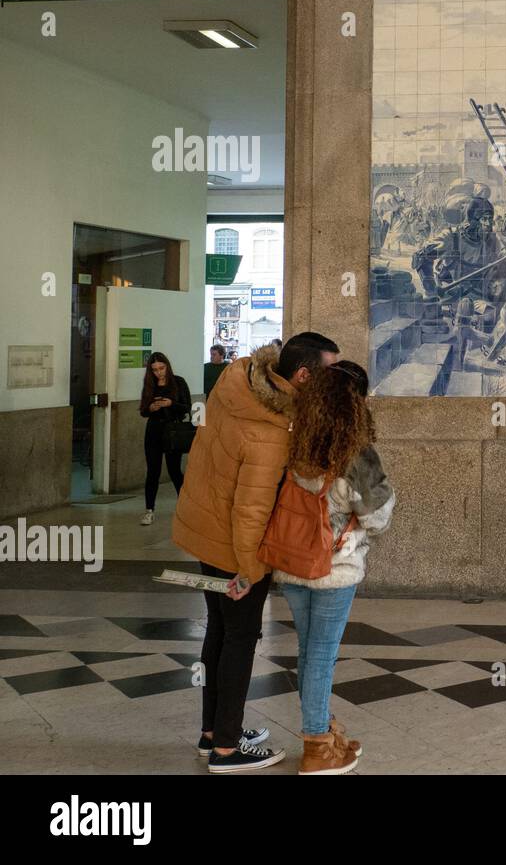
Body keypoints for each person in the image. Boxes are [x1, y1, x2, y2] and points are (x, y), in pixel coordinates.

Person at [172, 331, 340, 772]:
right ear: (303, 376)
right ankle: (227, 750)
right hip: (234, 547)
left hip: (204, 529)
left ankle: (213, 733)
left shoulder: (238, 382)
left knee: (219, 633)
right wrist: (248, 571)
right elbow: (251, 511)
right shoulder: (269, 430)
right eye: (327, 375)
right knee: (241, 639)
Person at [275, 361, 394, 775]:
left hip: (291, 564)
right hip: (334, 569)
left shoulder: (296, 443)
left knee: (309, 652)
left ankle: (323, 728)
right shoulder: (356, 452)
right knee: (322, 656)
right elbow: (377, 517)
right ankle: (316, 748)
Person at [138, 352, 191, 527]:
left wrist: (171, 404)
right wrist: (151, 407)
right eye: (154, 370)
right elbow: (143, 410)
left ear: (167, 366)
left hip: (172, 431)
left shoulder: (178, 382)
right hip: (154, 430)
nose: (159, 373)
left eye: (161, 368)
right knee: (153, 472)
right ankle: (149, 510)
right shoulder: (149, 385)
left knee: (174, 470)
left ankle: (185, 508)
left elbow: (187, 407)